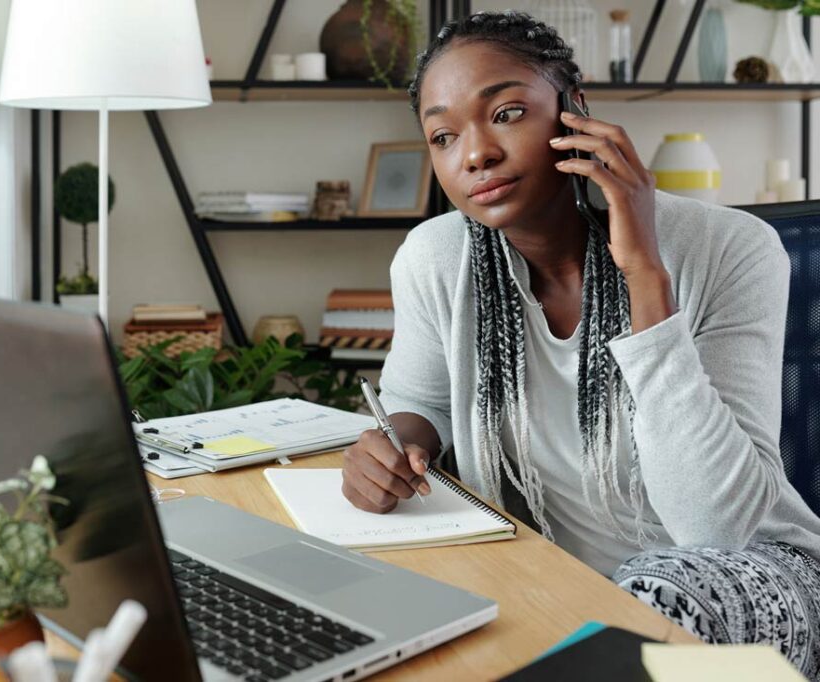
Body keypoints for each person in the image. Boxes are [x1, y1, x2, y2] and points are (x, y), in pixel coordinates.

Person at [339, 10, 820, 677]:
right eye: (443, 135)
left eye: (506, 113)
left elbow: (718, 529)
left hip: (748, 580)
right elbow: (417, 405)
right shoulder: (435, 258)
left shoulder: (732, 250)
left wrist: (646, 276)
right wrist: (397, 446)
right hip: (549, 580)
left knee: (661, 598)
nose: (474, 152)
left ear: (575, 111)